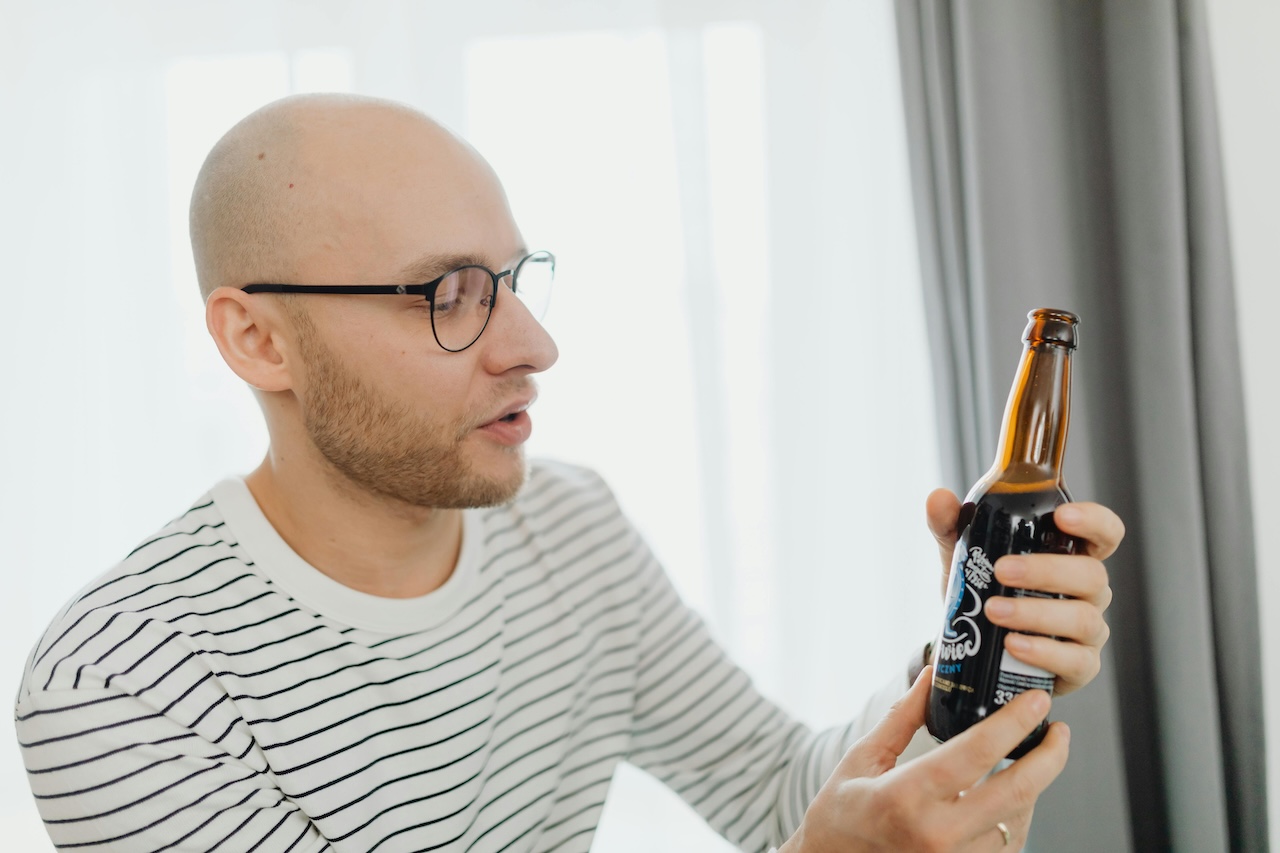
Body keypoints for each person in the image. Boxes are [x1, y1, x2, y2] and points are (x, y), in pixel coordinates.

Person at [14, 93, 1122, 853]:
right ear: (259, 340)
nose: (532, 345)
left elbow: (777, 787)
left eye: (511, 277)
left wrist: (969, 647)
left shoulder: (568, 522)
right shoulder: (125, 687)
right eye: (448, 292)